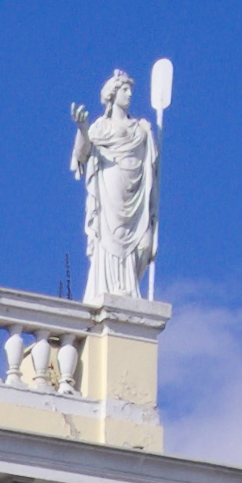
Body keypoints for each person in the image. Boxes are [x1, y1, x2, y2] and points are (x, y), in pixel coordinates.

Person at [70, 69, 160, 306]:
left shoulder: (141, 129)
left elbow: (152, 165)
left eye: (130, 90)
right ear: (112, 94)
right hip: (111, 190)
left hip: (137, 193)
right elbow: (82, 153)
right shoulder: (101, 127)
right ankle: (111, 287)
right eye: (124, 89)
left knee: (143, 245)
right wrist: (82, 129)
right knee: (111, 239)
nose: (129, 94)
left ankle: (130, 286)